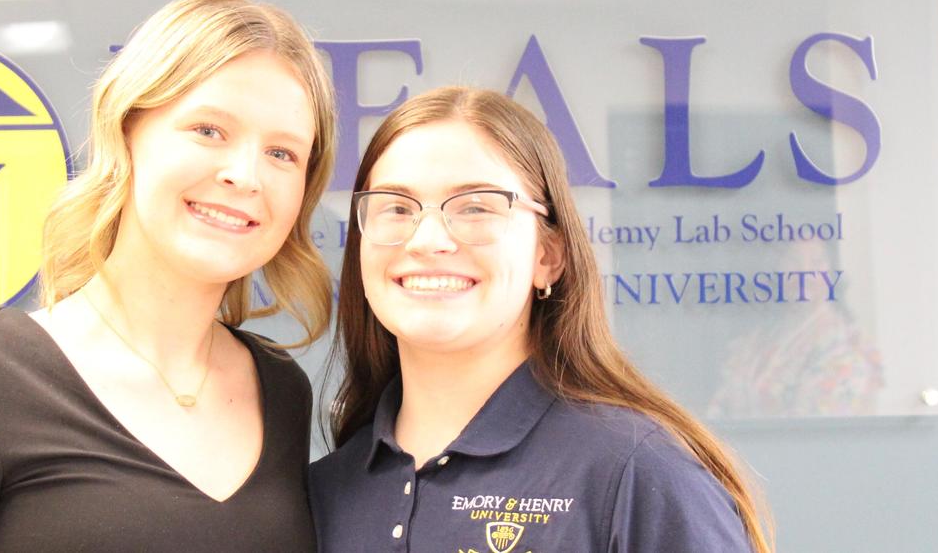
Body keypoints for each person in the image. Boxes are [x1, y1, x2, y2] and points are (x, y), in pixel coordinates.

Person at [0, 0, 337, 551]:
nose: (245, 175)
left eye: (282, 153)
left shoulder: (280, 389)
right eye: (209, 130)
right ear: (126, 133)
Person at [309, 87, 774, 552]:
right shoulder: (323, 493)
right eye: (396, 207)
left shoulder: (637, 473)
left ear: (548, 256)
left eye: (475, 207)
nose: (428, 240)